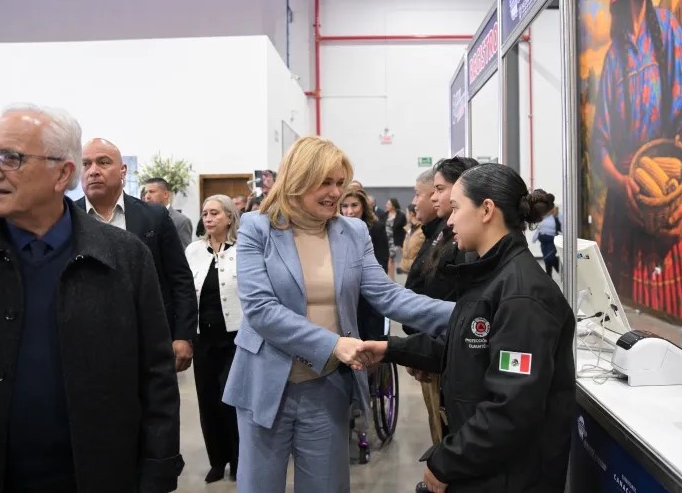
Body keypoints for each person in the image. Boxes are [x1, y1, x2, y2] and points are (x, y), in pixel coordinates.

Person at [0, 104, 183, 492]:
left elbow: (155, 375)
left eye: (10, 158)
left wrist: (158, 470)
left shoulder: (126, 256)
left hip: (99, 475)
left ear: (63, 173)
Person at [222, 136, 454, 493]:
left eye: (340, 183)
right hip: (264, 383)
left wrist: (465, 315)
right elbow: (261, 310)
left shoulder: (353, 231)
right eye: (326, 182)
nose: (336, 193)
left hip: (326, 385)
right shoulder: (258, 227)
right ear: (298, 179)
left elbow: (387, 295)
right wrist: (333, 344)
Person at [358, 163, 576, 493]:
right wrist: (390, 349)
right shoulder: (488, 278)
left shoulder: (523, 295)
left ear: (486, 210)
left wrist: (448, 461)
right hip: (484, 468)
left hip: (509, 479)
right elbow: (467, 346)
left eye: (457, 208)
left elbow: (512, 406)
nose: (449, 220)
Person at [593, 0, 682, 324]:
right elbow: (599, 144)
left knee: (672, 323)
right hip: (625, 204)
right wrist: (620, 181)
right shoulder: (613, 57)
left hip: (667, 192)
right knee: (628, 321)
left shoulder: (667, 29)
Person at [77, 138, 198, 372]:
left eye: (103, 162)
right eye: (86, 164)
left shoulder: (155, 217)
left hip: (150, 338)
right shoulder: (67, 218)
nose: (93, 171)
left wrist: (183, 334)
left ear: (123, 170)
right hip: (86, 342)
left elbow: (180, 278)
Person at [403, 158, 478, 447]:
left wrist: (425, 350)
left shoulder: (461, 244)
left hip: (444, 354)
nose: (433, 198)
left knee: (449, 437)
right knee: (440, 433)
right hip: (434, 351)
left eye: (440, 189)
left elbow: (454, 303)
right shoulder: (441, 235)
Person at [185, 195, 242, 484]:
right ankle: (218, 461)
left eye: (215, 213)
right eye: (205, 213)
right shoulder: (193, 250)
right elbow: (184, 293)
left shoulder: (243, 250)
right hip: (203, 338)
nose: (208, 218)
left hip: (235, 338)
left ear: (230, 217)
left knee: (230, 400)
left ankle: (239, 460)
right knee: (207, 401)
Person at [340, 187, 390, 340]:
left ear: (363, 206)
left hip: (370, 297)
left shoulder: (376, 228)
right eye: (345, 206)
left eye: (354, 205)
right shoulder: (334, 230)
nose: (350, 211)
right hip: (345, 297)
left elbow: (382, 263)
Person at [144, 177, 194, 249]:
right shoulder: (143, 218)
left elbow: (183, 252)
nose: (147, 196)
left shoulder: (181, 221)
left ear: (166, 194)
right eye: (146, 192)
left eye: (152, 192)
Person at [532, 205, 562, 276]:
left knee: (549, 257)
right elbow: (539, 230)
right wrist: (534, 239)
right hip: (544, 241)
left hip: (551, 241)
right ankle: (550, 275)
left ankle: (559, 271)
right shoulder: (543, 218)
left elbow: (561, 229)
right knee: (547, 258)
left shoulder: (556, 218)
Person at [384, 197, 406, 280]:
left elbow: (404, 228)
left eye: (388, 204)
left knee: (391, 258)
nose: (386, 205)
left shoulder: (401, 215)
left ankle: (393, 279)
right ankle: (391, 279)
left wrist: (403, 243)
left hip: (395, 240)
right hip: (386, 240)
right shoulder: (385, 214)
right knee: (390, 260)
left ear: (393, 205)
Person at [400, 204, 424, 274]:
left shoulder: (423, 229)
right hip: (407, 269)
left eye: (406, 213)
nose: (406, 215)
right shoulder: (408, 229)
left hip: (417, 270)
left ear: (411, 214)